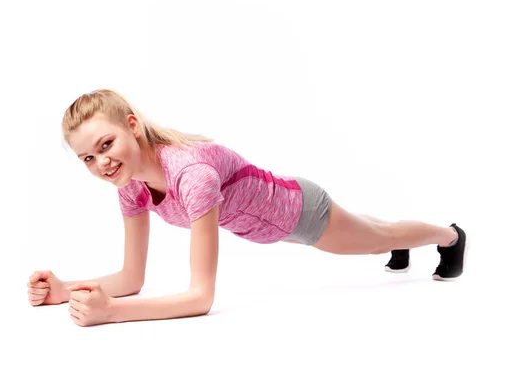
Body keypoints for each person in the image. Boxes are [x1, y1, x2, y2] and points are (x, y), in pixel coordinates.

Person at [27, 89, 468, 327]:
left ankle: (449, 236)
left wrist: (111, 313)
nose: (102, 163)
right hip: (277, 219)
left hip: (299, 212)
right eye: (88, 157)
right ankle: (406, 246)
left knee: (378, 240)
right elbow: (131, 278)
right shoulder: (132, 187)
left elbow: (201, 298)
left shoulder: (191, 176)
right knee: (375, 229)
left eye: (106, 145)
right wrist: (65, 289)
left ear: (132, 125)